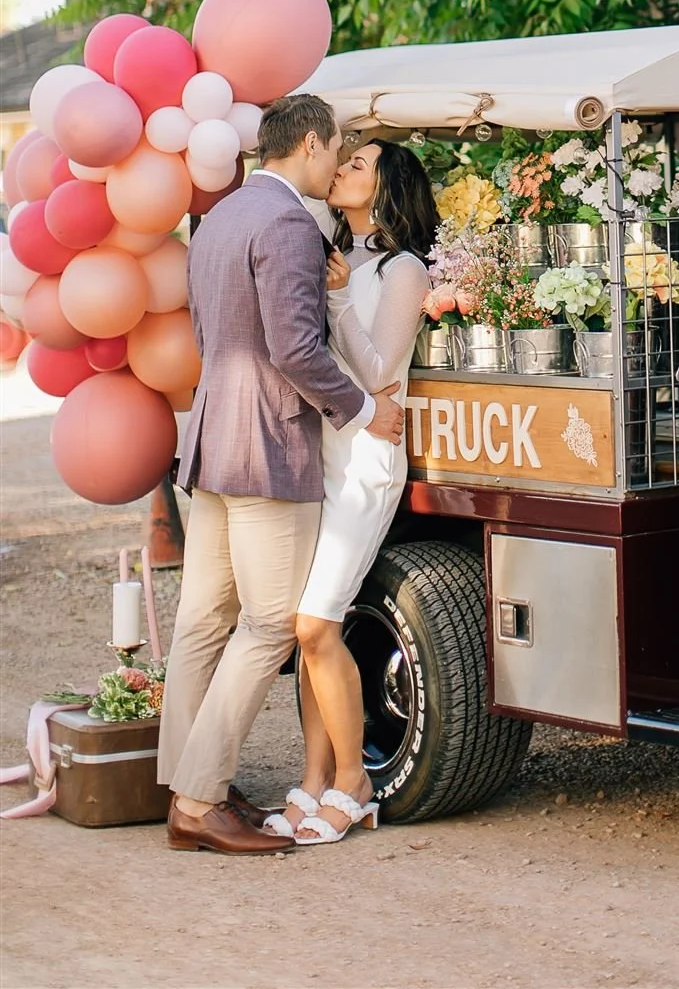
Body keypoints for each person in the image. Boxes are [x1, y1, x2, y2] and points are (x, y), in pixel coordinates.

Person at [158, 97, 406, 855]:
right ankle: (199, 801)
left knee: (203, 621)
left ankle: (180, 782)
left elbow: (210, 333)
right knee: (269, 624)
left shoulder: (220, 215)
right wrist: (364, 410)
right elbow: (296, 350)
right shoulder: (292, 224)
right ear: (310, 144)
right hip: (268, 446)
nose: (336, 163)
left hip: (213, 442)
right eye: (336, 148)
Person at [264, 139, 436, 845]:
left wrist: (337, 300)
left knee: (316, 623)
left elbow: (379, 373)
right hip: (322, 452)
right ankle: (314, 779)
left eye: (358, 164)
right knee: (308, 629)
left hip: (366, 460)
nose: (341, 169)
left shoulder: (404, 269)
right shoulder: (337, 253)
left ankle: (354, 781)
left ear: (388, 186)